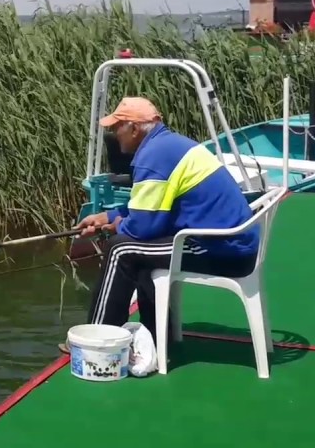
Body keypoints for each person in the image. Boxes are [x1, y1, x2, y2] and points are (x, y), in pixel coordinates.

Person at [59, 96, 260, 355]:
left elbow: (142, 228)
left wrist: (116, 227)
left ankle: (99, 338)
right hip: (231, 242)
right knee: (137, 250)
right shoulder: (168, 145)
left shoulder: (151, 158)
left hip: (222, 250)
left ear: (133, 128)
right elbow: (150, 209)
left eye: (116, 127)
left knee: (121, 249)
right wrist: (107, 218)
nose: (113, 134)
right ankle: (155, 335)